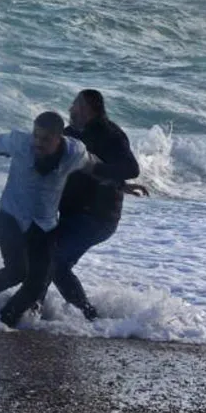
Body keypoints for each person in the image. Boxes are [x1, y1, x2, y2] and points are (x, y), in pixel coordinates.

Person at [0, 111, 111, 328]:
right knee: (17, 271)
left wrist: (120, 183)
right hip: (11, 217)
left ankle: (4, 322)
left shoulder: (73, 152)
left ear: (59, 138)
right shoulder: (20, 143)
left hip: (44, 224)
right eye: (36, 136)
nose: (38, 142)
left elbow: (92, 164)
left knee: (37, 283)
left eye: (45, 139)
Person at [44, 89, 143, 321]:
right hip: (73, 213)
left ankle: (89, 317)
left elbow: (131, 168)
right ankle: (36, 308)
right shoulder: (71, 133)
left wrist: (95, 169)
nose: (70, 109)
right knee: (46, 259)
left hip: (97, 217)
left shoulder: (110, 134)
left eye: (75, 104)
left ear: (87, 109)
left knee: (55, 262)